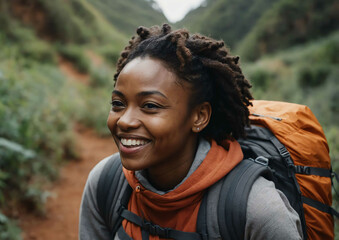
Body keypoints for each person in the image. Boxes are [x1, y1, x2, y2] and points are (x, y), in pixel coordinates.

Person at [79, 24, 303, 240]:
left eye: (150, 106)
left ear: (199, 117)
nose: (125, 121)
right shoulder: (105, 183)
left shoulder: (257, 210)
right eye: (118, 103)